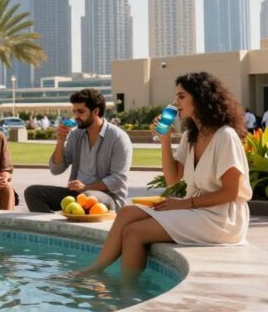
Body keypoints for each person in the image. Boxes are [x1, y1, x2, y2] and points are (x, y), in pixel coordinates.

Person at [79, 72, 251, 280]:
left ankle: (117, 284)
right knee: (127, 213)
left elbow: (231, 193)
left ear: (201, 97)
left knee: (134, 232)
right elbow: (173, 180)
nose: (175, 102)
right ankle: (98, 269)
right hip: (197, 210)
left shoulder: (225, 136)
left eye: (181, 96)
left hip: (222, 218)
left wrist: (183, 204)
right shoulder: (190, 137)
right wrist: (165, 140)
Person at [24, 88, 131, 213]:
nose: (76, 117)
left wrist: (86, 187)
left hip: (108, 197)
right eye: (74, 111)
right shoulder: (76, 135)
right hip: (77, 196)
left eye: (80, 112)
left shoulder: (118, 138)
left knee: (87, 196)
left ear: (95, 111)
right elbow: (56, 169)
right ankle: (53, 230)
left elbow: (118, 180)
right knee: (32, 193)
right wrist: (60, 141)